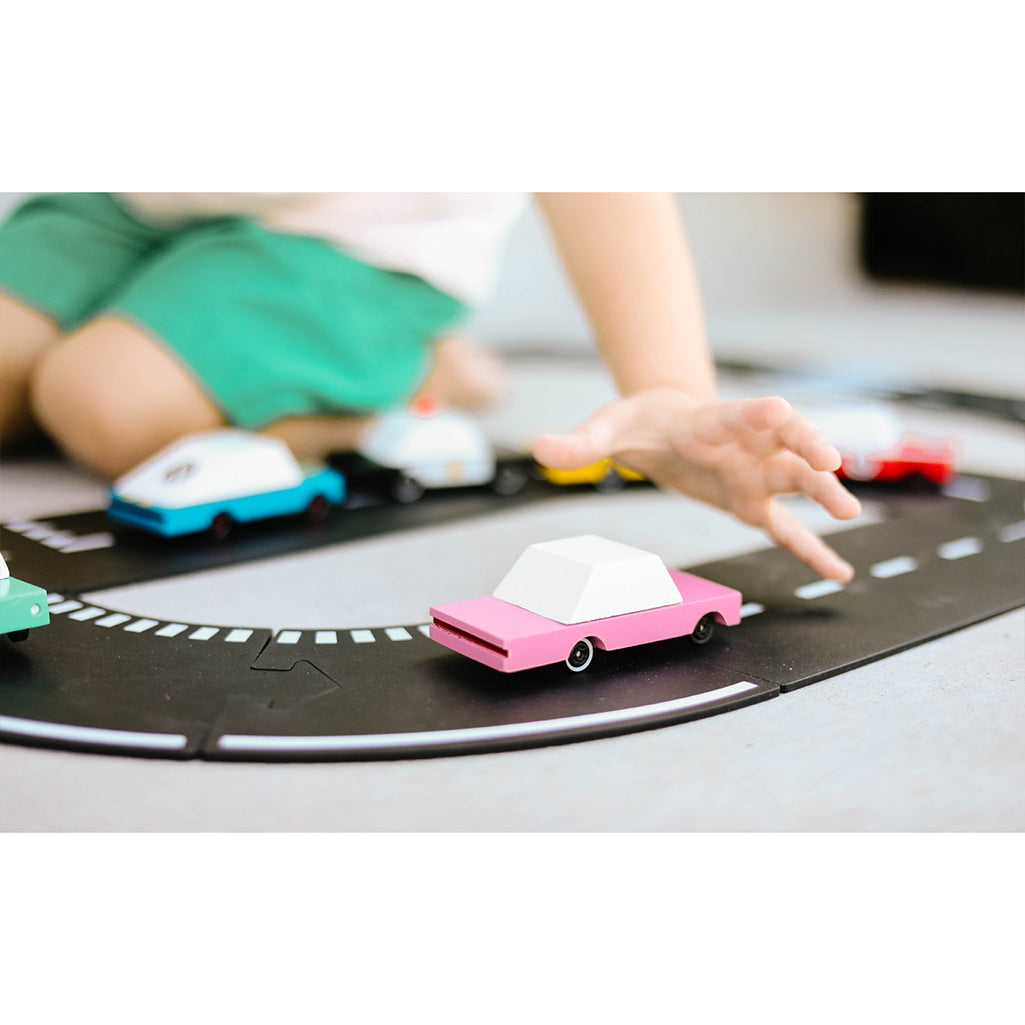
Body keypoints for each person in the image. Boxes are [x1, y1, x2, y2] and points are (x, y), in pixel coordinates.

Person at [0, 192, 859, 581]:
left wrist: (667, 388)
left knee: (99, 400)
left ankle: (410, 364)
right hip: (143, 196)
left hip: (363, 227)